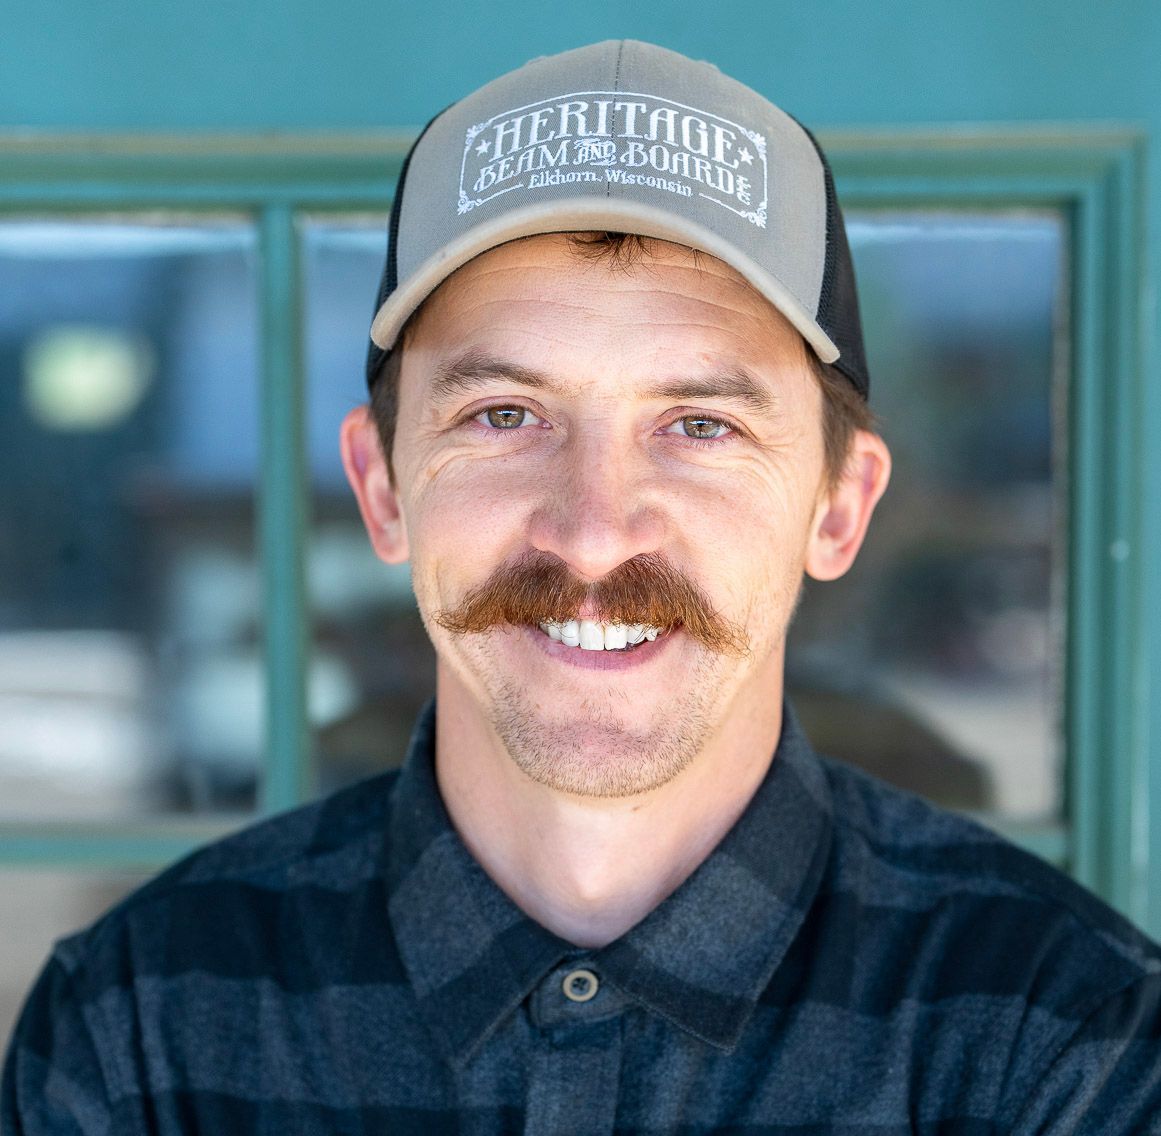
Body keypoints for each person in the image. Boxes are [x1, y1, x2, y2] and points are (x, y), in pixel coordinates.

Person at [4, 39, 1160, 1134]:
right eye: (505, 415)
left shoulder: (1071, 1040)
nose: (595, 534)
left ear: (839, 506)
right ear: (383, 486)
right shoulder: (137, 1027)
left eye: (698, 425)